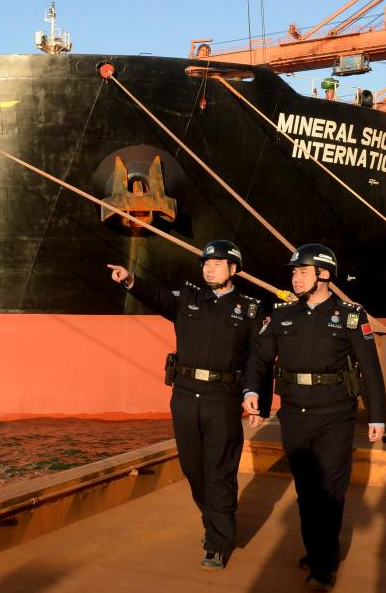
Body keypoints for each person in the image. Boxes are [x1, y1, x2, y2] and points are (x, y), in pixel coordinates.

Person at [107, 240, 271, 571]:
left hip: (223, 399)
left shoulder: (250, 310)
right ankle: (215, 522)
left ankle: (217, 542)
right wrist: (130, 280)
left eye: (217, 264)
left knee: (219, 471)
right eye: (206, 264)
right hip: (184, 397)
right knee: (193, 469)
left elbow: (259, 359)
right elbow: (158, 297)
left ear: (233, 269)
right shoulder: (188, 299)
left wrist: (256, 400)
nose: (209, 269)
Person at [241, 243, 386, 591]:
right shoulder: (282, 315)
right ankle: (321, 551)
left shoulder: (351, 316)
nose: (295, 278)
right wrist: (251, 391)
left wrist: (377, 417)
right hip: (294, 416)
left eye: (302, 271)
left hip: (336, 416)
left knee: (330, 491)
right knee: (307, 492)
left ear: (324, 274)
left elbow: (370, 369)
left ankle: (322, 566)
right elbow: (259, 357)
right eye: (293, 272)